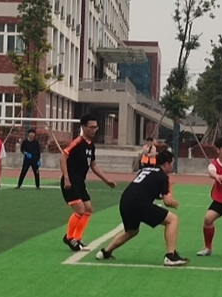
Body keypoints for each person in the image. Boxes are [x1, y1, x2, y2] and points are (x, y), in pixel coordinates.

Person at [95, 150, 190, 266]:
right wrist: (172, 201)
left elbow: (145, 188)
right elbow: (167, 201)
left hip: (125, 201)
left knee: (132, 231)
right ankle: (171, 256)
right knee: (172, 219)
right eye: (172, 163)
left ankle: (105, 252)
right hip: (139, 203)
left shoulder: (145, 169)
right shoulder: (163, 176)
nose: (172, 166)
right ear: (166, 164)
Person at [60, 114, 117, 252]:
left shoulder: (91, 146)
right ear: (84, 127)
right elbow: (62, 157)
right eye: (91, 127)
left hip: (80, 182)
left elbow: (93, 164)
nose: (94, 130)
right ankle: (69, 237)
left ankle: (77, 238)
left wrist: (106, 180)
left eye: (96, 127)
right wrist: (66, 178)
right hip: (70, 181)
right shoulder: (77, 142)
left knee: (88, 209)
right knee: (80, 210)